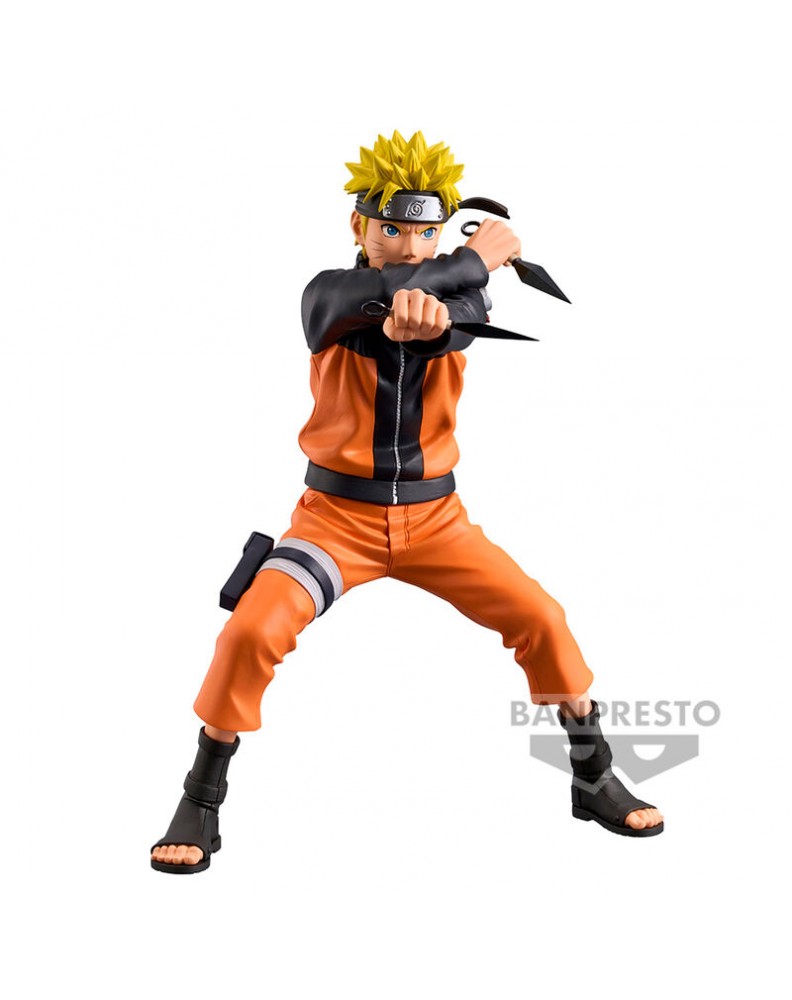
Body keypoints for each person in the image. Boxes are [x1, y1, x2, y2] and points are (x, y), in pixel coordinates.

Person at [151, 130, 664, 874]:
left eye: (426, 232)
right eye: (391, 229)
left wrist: (435, 318)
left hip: (437, 523)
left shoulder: (464, 295)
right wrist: (471, 257)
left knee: (542, 619)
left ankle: (594, 774)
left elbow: (452, 323)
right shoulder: (328, 291)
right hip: (335, 523)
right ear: (359, 226)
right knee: (250, 631)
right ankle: (201, 796)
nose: (408, 246)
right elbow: (354, 304)